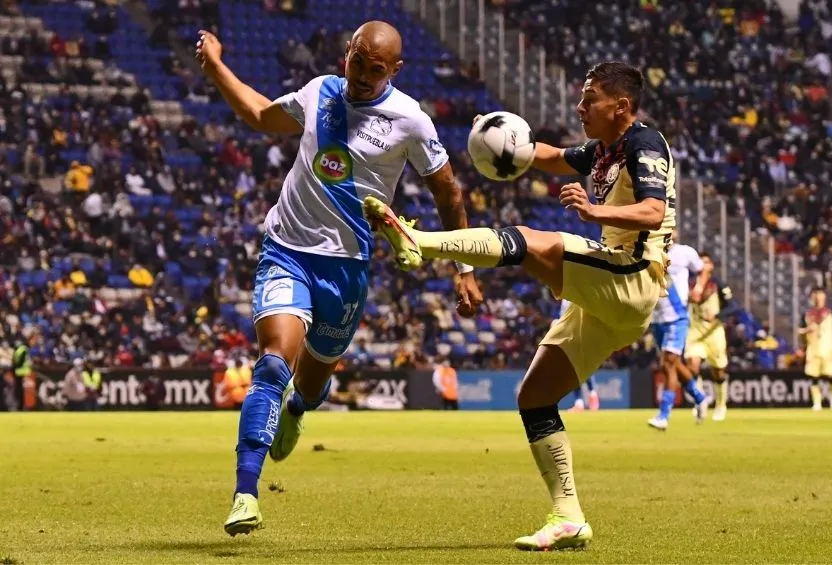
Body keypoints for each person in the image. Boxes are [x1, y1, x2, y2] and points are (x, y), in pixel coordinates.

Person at [367, 61, 674, 551]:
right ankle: (568, 517)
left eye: (590, 97)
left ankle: (420, 241)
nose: (580, 105)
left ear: (621, 106)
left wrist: (596, 211)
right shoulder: (603, 150)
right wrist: (502, 137)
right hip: (605, 298)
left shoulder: (644, 143)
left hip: (634, 275)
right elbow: (552, 156)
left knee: (531, 242)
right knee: (533, 397)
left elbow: (654, 211)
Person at [195, 20, 483, 536]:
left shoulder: (410, 121)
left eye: (377, 71)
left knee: (311, 381)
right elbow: (261, 115)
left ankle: (298, 409)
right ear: (346, 53)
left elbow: (449, 192)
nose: (363, 78)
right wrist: (216, 64)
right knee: (271, 364)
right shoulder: (320, 92)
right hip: (287, 251)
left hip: (347, 270)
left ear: (394, 70)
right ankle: (244, 492)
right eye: (357, 63)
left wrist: (463, 266)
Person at [647, 230, 708, 430]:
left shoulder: (685, 253)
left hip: (677, 317)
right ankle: (700, 397)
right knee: (673, 364)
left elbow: (703, 269)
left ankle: (664, 416)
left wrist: (698, 288)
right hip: (656, 318)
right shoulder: (648, 253)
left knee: (668, 363)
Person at [684, 252, 735, 421]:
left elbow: (733, 307)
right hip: (695, 331)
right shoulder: (689, 283)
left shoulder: (718, 284)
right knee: (692, 365)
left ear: (711, 266)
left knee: (718, 371)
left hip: (714, 333)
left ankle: (721, 405)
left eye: (706, 262)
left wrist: (718, 316)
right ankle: (700, 402)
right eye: (700, 262)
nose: (703, 265)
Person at [800, 287, 832, 410]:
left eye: (820, 294)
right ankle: (817, 401)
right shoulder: (807, 314)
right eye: (815, 295)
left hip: (828, 348)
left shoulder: (831, 312)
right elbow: (801, 331)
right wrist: (804, 342)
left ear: (824, 296)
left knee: (831, 375)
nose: (818, 297)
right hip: (813, 349)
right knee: (813, 377)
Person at [558, 300, 599, 412]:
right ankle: (587, 397)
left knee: (576, 367)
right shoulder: (568, 297)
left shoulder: (573, 295)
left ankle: (586, 398)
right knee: (578, 367)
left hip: (576, 335)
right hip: (578, 334)